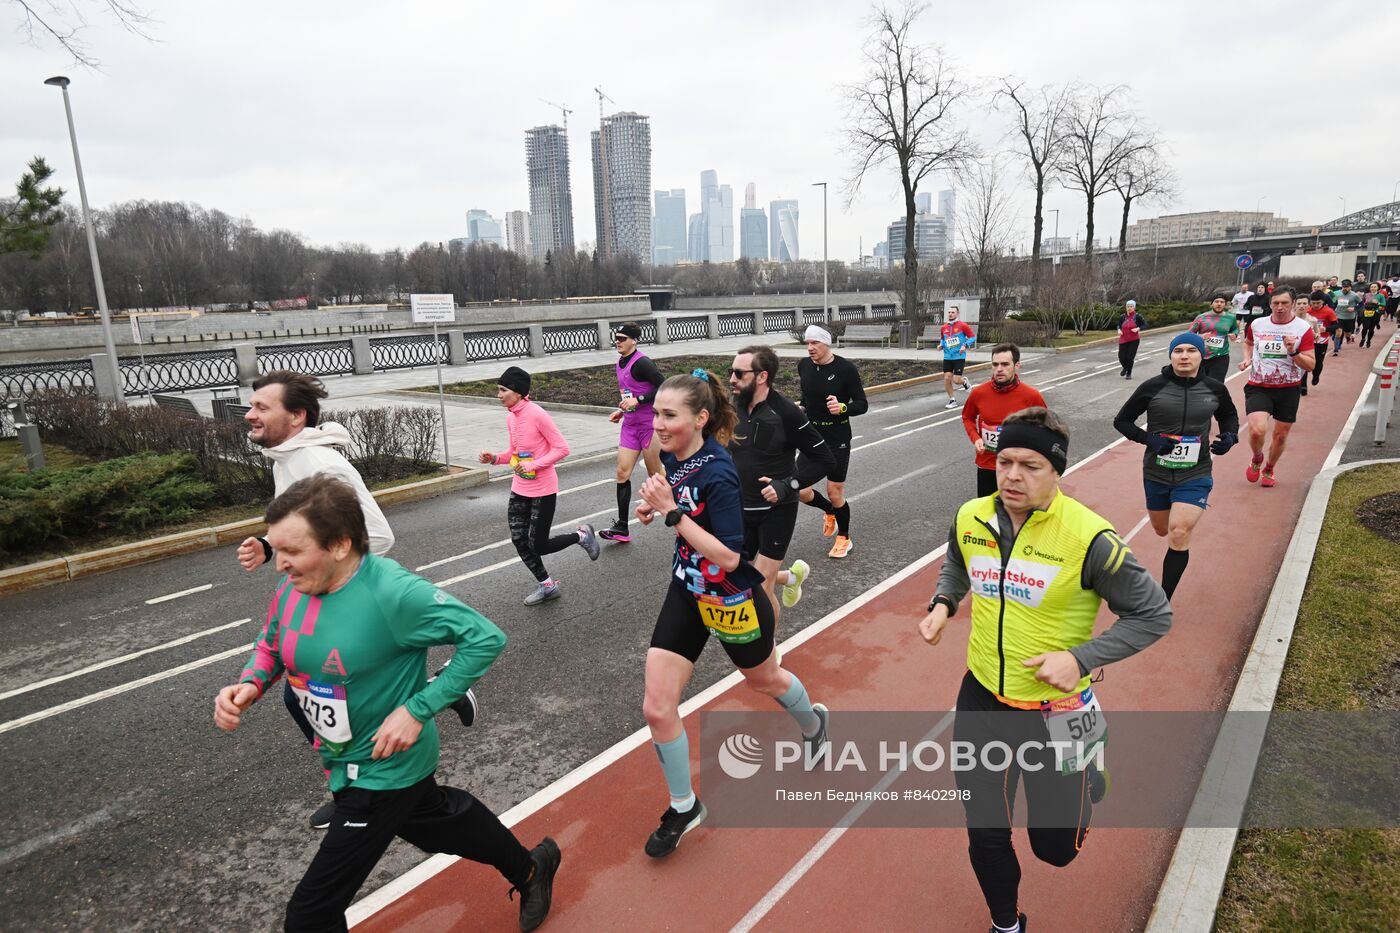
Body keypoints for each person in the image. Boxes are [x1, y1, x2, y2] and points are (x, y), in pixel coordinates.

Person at [215, 476, 560, 933]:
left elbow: (484, 638)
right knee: (435, 820)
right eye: (276, 550)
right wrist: (249, 685)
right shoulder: (297, 585)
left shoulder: (393, 593)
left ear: (339, 544)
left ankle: (529, 869)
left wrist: (418, 708)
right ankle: (531, 869)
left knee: (310, 914)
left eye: (292, 552)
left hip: (383, 769)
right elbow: (272, 642)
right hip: (341, 760)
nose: (279, 565)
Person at [918, 406, 1173, 933]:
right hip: (982, 698)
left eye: (1030, 465)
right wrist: (943, 603)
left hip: (1057, 711)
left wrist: (1079, 659)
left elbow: (1154, 614)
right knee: (986, 833)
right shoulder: (971, 516)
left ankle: (1090, 764)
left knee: (1055, 849)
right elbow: (956, 560)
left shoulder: (1090, 538)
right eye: (1004, 461)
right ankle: (1007, 924)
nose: (1011, 475)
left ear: (1057, 470)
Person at [238, 370, 477, 831]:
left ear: (297, 415)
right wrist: (270, 546)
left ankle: (358, 785)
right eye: (252, 406)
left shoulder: (324, 466)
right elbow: (304, 522)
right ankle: (356, 782)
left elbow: (381, 536)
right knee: (316, 693)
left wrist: (335, 578)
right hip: (326, 589)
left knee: (312, 692)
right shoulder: (284, 459)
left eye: (261, 407)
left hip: (349, 593)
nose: (249, 414)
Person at [635, 370, 829, 858]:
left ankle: (814, 725)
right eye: (656, 413)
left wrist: (673, 515)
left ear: (699, 419)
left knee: (766, 680)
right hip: (687, 590)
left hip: (730, 598)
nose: (657, 423)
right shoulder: (673, 458)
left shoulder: (718, 471)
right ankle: (684, 806)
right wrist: (654, 507)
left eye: (669, 415)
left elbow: (727, 556)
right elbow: (676, 502)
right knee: (657, 706)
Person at [1113, 333, 1239, 598]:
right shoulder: (1152, 386)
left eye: (1191, 350)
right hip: (1156, 471)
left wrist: (1230, 436)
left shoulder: (1215, 388)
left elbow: (1228, 415)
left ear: (1202, 355)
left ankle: (1163, 598)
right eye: (1178, 351)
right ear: (1170, 355)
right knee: (1161, 529)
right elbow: (1122, 421)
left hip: (1196, 471)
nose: (1184, 356)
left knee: (1179, 532)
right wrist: (1150, 440)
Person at [477, 366, 599, 605]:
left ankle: (581, 535)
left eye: (503, 390)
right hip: (519, 489)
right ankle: (547, 585)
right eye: (498, 390)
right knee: (519, 540)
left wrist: (535, 465)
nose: (498, 395)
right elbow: (514, 453)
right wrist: (494, 458)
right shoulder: (511, 417)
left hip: (543, 490)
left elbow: (562, 448)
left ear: (519, 392)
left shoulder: (537, 414)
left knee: (539, 545)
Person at [728, 346, 835, 617]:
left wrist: (789, 485)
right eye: (731, 372)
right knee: (741, 577)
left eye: (739, 374)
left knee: (759, 589)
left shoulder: (786, 413)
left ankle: (767, 656)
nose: (731, 379)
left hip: (776, 511)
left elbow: (824, 459)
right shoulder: (730, 408)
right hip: (740, 508)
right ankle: (790, 578)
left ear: (761, 376)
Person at [795, 325, 868, 559]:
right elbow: (806, 395)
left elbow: (862, 404)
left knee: (835, 491)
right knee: (798, 488)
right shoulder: (804, 366)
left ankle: (844, 538)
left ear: (826, 343)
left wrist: (843, 407)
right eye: (807, 343)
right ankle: (829, 511)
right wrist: (801, 407)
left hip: (837, 438)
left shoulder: (845, 369)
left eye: (814, 343)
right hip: (812, 438)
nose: (810, 348)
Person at [1239, 286, 1316, 487]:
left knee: (1280, 436)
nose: (1279, 307)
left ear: (1292, 304)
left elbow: (1310, 364)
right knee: (1257, 430)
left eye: (1284, 303)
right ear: (1270, 304)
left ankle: (1270, 467)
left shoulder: (1302, 328)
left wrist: (1293, 351)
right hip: (1259, 385)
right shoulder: (1257, 324)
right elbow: (1247, 342)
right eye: (1275, 303)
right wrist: (1247, 359)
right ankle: (1257, 458)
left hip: (1288, 388)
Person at [599, 323, 665, 543]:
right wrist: (622, 409)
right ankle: (622, 526)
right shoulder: (620, 362)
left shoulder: (643, 363)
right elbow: (629, 393)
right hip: (630, 425)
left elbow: (664, 387)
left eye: (622, 338)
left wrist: (639, 400)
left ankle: (684, 512)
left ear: (634, 340)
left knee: (656, 477)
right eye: (616, 338)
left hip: (649, 425)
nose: (618, 341)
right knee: (621, 472)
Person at [961, 343, 1046, 497]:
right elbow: (967, 417)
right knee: (988, 514)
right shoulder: (979, 393)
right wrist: (976, 438)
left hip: (1018, 468)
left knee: (1017, 513)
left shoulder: (1032, 396)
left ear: (1017, 365)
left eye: (1005, 364)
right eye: (995, 364)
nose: (999, 369)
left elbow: (1045, 428)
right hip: (987, 464)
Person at [1188, 294, 1241, 384]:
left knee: (1216, 384)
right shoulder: (1201, 317)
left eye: (1222, 302)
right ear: (1211, 304)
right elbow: (1189, 334)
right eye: (1216, 302)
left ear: (1225, 304)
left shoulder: (1231, 318)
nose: (1219, 304)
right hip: (1202, 356)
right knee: (1200, 383)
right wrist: (1201, 336)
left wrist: (1234, 334)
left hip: (1221, 356)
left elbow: (1235, 328)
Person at [940, 305, 978, 408]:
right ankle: (952, 400)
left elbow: (972, 337)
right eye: (949, 312)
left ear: (957, 314)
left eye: (952, 312)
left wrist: (964, 345)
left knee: (956, 380)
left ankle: (964, 382)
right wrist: (941, 345)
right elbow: (943, 339)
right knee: (947, 378)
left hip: (959, 356)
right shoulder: (944, 327)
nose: (950, 314)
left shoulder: (962, 325)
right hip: (948, 357)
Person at [1298, 292, 1336, 395]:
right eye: (1313, 303)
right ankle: (1303, 386)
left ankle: (1316, 375)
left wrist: (1326, 328)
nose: (1315, 305)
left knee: (1318, 362)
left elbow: (1336, 325)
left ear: (1323, 302)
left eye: (1317, 303)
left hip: (1321, 340)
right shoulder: (1307, 310)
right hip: (1307, 341)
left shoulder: (1329, 311)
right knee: (1304, 362)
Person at [1117, 299, 1147, 379]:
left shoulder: (1137, 316)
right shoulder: (1122, 316)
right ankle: (1125, 367)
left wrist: (1138, 328)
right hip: (1123, 339)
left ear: (1134, 307)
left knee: (1130, 358)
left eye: (1131, 306)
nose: (1129, 308)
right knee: (1121, 357)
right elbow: (1118, 325)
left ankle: (1128, 373)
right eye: (1128, 306)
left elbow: (1145, 325)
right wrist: (1119, 330)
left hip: (1134, 340)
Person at [1331, 280, 1361, 351]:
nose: (1345, 288)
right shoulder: (1336, 294)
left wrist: (1354, 308)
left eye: (1347, 287)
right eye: (1343, 287)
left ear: (1350, 287)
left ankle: (1347, 337)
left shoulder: (1354, 295)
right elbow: (1332, 302)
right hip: (1338, 315)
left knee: (1347, 332)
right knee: (1339, 332)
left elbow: (1361, 304)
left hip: (1349, 317)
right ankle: (1337, 346)